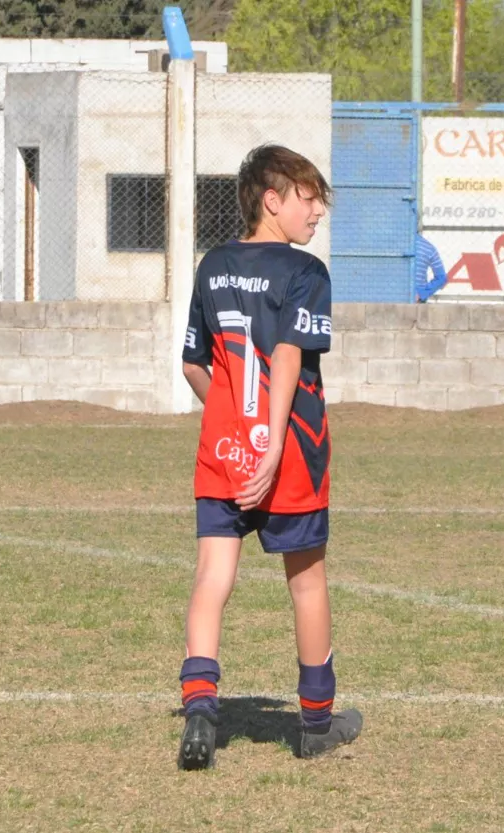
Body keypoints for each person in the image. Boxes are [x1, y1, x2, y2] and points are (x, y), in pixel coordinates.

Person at [176, 143, 362, 770]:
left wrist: (231, 418)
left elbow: (193, 363)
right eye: (308, 197)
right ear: (271, 200)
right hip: (290, 454)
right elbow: (287, 354)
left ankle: (201, 711)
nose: (317, 211)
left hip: (222, 450)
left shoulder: (213, 265)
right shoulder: (306, 272)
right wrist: (274, 439)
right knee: (307, 583)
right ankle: (315, 724)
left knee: (212, 580)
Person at [414, 233, 448, 302]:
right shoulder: (428, 247)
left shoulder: (389, 244)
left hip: (389, 298)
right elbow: (441, 278)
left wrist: (421, 294)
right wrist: (421, 294)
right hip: (416, 302)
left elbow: (442, 278)